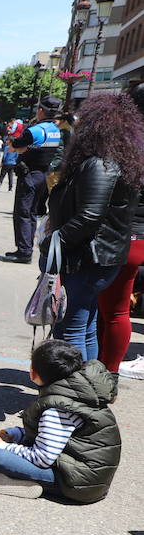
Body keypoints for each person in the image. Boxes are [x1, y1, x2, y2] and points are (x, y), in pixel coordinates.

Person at [42, 93, 144, 365]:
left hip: (90, 258)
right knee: (85, 326)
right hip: (101, 256)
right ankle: (87, 389)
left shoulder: (100, 164)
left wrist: (53, 241)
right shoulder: (117, 161)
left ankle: (75, 395)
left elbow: (89, 216)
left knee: (72, 329)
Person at [0, 339, 119, 502]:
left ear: (33, 373)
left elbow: (43, 457)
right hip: (88, 477)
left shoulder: (57, 410)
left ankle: (26, 484)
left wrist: (2, 447)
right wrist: (15, 434)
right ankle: (23, 481)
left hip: (76, 485)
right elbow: (51, 435)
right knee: (11, 450)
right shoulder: (76, 392)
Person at [107, 86, 144, 378]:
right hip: (137, 237)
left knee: (113, 310)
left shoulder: (128, 143)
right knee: (118, 311)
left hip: (126, 234)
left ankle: (107, 372)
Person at [5, 96, 63, 263]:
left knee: (23, 213)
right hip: (43, 176)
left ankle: (24, 251)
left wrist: (20, 147)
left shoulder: (36, 130)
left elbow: (15, 147)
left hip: (29, 175)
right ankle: (25, 248)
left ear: (40, 110)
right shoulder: (55, 130)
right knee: (30, 213)